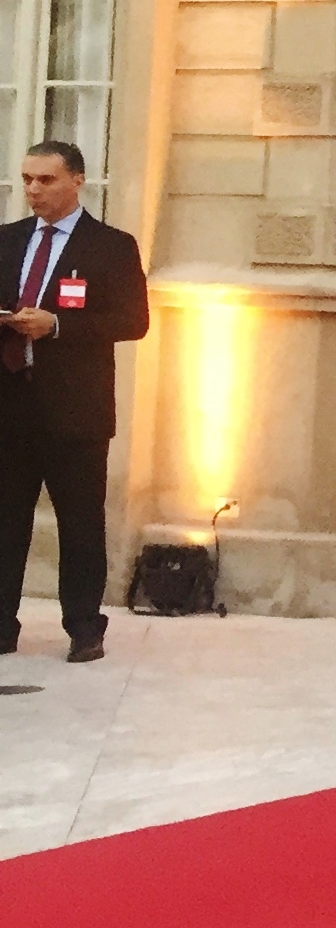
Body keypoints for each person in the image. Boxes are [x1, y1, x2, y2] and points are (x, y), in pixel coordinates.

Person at [1, 141, 149, 662]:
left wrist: (58, 325)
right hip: (10, 405)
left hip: (75, 411)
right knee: (5, 522)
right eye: (27, 179)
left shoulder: (111, 246)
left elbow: (133, 321)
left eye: (46, 180)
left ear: (77, 181)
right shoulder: (7, 240)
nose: (33, 190)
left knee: (81, 525)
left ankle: (85, 628)